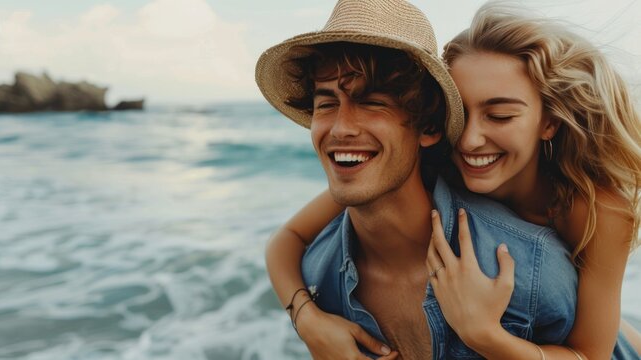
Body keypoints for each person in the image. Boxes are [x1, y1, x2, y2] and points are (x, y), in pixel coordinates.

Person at [260, 1, 641, 359]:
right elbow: (287, 239)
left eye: (501, 116)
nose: (470, 138)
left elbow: (593, 352)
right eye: (460, 113)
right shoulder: (436, 160)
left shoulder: (596, 209)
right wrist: (305, 316)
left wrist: (482, 334)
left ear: (549, 122)